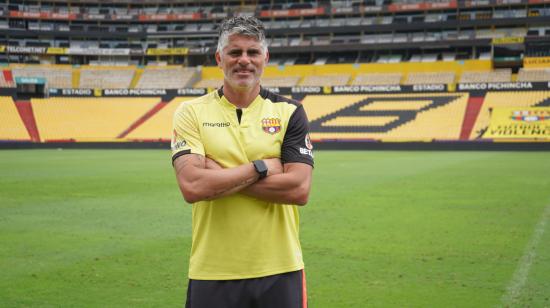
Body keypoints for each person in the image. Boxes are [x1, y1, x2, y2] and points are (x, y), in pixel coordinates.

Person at [171, 16, 314, 308]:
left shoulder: (290, 112)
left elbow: (298, 190)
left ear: (265, 58)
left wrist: (218, 176)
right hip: (212, 270)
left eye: (253, 52)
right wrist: (259, 168)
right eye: (235, 52)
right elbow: (193, 186)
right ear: (219, 58)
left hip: (280, 268)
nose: (244, 61)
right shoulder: (190, 112)